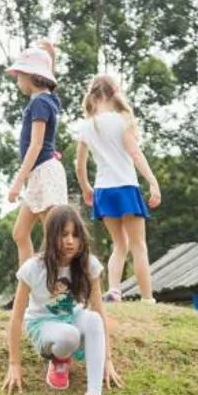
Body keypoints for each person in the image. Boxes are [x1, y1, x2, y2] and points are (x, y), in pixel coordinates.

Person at [4, 205, 118, 395]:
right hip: (42, 325)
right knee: (70, 335)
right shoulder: (33, 268)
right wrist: (14, 364)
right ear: (51, 235)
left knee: (94, 319)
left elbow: (99, 309)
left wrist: (108, 359)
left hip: (71, 316)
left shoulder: (87, 265)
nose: (70, 241)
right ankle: (58, 360)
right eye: (64, 234)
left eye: (75, 235)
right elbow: (16, 318)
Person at [73, 75, 162, 300]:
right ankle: (147, 298)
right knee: (138, 245)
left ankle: (114, 291)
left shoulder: (86, 126)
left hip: (103, 190)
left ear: (94, 95)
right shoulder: (122, 119)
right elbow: (135, 153)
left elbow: (79, 166)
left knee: (119, 244)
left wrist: (86, 188)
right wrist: (152, 181)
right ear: (114, 93)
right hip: (126, 187)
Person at [5, 42, 66, 266]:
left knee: (55, 236)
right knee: (20, 233)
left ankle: (62, 287)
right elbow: (50, 82)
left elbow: (36, 145)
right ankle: (28, 287)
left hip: (43, 172)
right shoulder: (46, 99)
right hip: (38, 175)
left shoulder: (40, 103)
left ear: (31, 76)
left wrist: (17, 182)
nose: (17, 80)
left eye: (19, 75)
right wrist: (51, 56)